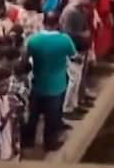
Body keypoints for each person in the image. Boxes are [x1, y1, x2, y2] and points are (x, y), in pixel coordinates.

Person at [24, 11, 76, 150]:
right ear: (57, 23)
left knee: (33, 116)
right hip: (57, 86)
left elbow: (25, 59)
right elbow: (74, 56)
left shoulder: (33, 40)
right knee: (52, 118)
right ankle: (49, 144)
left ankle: (28, 142)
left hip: (38, 84)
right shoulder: (64, 39)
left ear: (43, 22)